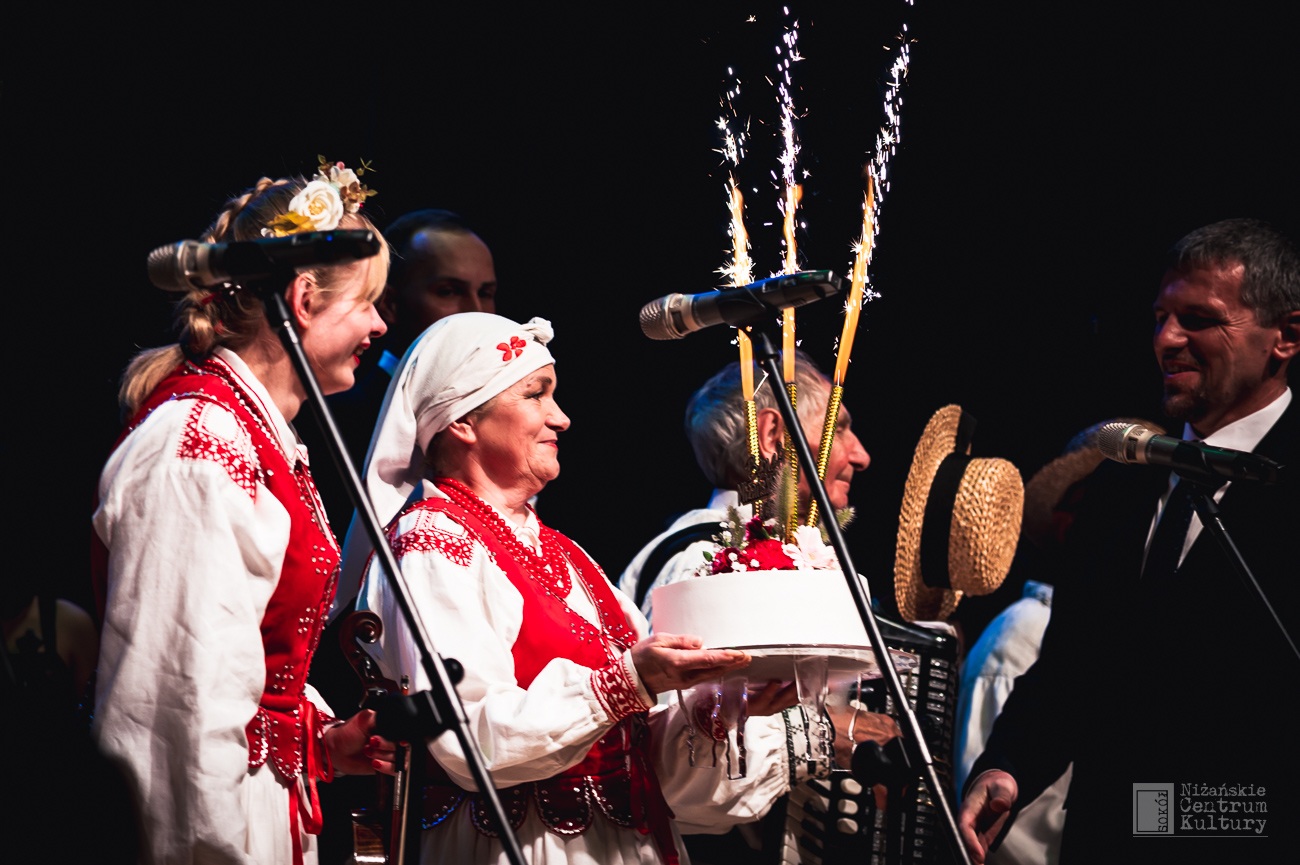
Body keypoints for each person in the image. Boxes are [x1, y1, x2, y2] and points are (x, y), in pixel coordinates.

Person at [345, 312, 896, 865]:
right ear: (463, 421)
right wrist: (631, 680)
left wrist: (722, 710)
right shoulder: (434, 541)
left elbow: (662, 779)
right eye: (536, 395)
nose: (561, 418)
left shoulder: (568, 556)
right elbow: (469, 738)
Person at [958, 218, 1300, 864]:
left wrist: (1163, 815)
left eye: (1198, 319)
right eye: (1160, 318)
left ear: (1286, 337)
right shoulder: (1124, 481)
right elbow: (1071, 667)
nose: (1166, 340)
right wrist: (1007, 765)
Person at [92, 161, 399, 865]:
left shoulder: (258, 439)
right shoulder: (199, 441)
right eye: (367, 302)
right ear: (303, 299)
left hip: (262, 806)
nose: (380, 324)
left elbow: (248, 671)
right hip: (216, 825)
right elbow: (178, 703)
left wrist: (321, 740)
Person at [618, 350, 870, 621]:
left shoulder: (726, 558)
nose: (862, 457)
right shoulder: (707, 563)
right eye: (837, 430)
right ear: (772, 435)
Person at [306, 208, 498, 541]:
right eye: (449, 291)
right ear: (390, 304)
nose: (476, 312)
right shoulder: (333, 418)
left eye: (485, 294)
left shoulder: (503, 417)